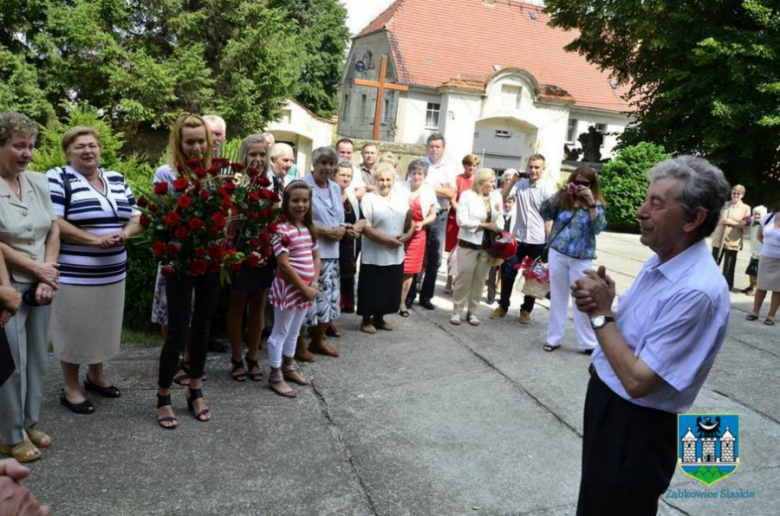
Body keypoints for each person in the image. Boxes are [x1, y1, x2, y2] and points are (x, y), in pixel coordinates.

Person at [570, 156, 731, 516]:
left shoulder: (697, 290)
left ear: (693, 219)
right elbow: (633, 325)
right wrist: (608, 300)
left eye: (656, 204)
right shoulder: (661, 260)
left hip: (636, 426)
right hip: (610, 408)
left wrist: (600, 315)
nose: (641, 211)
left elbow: (638, 380)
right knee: (595, 505)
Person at [46, 126, 141, 414]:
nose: (88, 151)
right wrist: (95, 240)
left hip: (113, 273)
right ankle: (70, 387)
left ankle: (96, 376)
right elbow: (55, 222)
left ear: (100, 149)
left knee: (103, 327)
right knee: (74, 330)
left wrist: (124, 234)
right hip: (76, 273)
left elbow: (136, 214)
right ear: (67, 152)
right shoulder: (58, 177)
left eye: (92, 145)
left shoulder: (115, 177)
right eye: (79, 147)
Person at [154, 113, 220, 429]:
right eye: (189, 141)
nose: (195, 147)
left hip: (211, 260)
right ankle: (163, 396)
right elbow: (159, 223)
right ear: (178, 143)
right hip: (181, 263)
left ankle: (195, 390)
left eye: (200, 141)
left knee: (204, 327)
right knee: (179, 329)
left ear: (209, 142)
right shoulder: (166, 174)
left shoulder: (215, 175)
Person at [0, 112, 60, 463]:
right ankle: (9, 435)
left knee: (37, 357)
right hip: (6, 285)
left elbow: (52, 228)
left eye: (31, 147)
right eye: (18, 146)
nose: (27, 154)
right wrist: (36, 268)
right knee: (11, 364)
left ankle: (27, 422)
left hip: (40, 283)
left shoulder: (37, 181)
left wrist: (47, 273)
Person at [225, 135, 276, 382]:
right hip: (239, 255)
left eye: (262, 154)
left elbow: (276, 221)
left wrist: (266, 249)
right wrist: (239, 252)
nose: (257, 159)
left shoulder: (273, 184)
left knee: (258, 304)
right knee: (237, 305)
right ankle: (236, 358)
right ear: (243, 156)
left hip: (264, 255)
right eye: (252, 154)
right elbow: (228, 225)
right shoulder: (234, 184)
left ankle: (253, 356)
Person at [540, 167, 607, 353]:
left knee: (582, 299)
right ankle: (553, 339)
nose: (580, 187)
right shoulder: (564, 199)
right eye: (577, 182)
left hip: (582, 258)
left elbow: (598, 227)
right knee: (558, 298)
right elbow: (544, 212)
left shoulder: (597, 203)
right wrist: (559, 192)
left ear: (592, 185)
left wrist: (591, 202)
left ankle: (588, 343)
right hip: (558, 253)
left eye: (585, 184)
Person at [267, 181, 319, 397]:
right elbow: (284, 265)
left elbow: (316, 256)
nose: (300, 205)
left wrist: (314, 284)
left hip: (306, 289)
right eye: (295, 200)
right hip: (289, 289)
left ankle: (289, 367)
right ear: (286, 203)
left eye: (304, 200)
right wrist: (304, 288)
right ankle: (275, 375)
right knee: (280, 332)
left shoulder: (308, 229)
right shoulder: (281, 230)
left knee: (295, 331)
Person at [492, 155, 555, 323]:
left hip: (538, 240)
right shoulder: (520, 185)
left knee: (533, 276)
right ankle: (503, 305)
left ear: (543, 169)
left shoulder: (548, 189)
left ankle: (526, 310)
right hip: (518, 238)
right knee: (507, 272)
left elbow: (549, 219)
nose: (533, 170)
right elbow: (501, 198)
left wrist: (549, 241)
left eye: (537, 167)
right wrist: (512, 181)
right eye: (531, 167)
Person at [298, 147, 344, 360]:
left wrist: (342, 228)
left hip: (332, 256)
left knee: (329, 298)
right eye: (322, 163)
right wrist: (324, 231)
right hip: (310, 257)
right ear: (314, 164)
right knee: (308, 299)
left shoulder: (335, 188)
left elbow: (339, 218)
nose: (327, 167)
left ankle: (317, 341)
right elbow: (296, 220)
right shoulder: (301, 186)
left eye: (330, 163)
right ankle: (298, 346)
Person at [358, 163, 412, 333]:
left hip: (396, 251)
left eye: (388, 179)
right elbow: (365, 226)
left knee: (389, 286)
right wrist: (386, 240)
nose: (385, 183)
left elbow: (411, 222)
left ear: (394, 180)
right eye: (381, 179)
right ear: (375, 180)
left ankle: (379, 318)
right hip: (375, 251)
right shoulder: (369, 198)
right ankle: (366, 320)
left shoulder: (401, 199)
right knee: (372, 286)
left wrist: (407, 235)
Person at [450, 168, 503, 326]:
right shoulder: (467, 195)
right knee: (463, 278)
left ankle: (472, 312)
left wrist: (497, 226)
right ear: (481, 183)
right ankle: (457, 311)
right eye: (491, 181)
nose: (494, 184)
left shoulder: (496, 196)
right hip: (468, 244)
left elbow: (500, 219)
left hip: (487, 246)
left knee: (480, 280)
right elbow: (462, 221)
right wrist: (484, 225)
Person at [411, 134, 457, 310]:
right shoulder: (419, 164)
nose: (434, 150)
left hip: (440, 215)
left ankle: (426, 297)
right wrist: (441, 189)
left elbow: (451, 194)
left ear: (443, 148)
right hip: (420, 215)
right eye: (431, 146)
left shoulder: (449, 167)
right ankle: (409, 295)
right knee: (417, 255)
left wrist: (427, 187)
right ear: (427, 148)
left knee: (434, 258)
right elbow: (413, 186)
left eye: (438, 146)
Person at [399, 160, 436, 317]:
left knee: (409, 270)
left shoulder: (429, 191)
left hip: (417, 235)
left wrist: (423, 222)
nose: (416, 176)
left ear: (424, 175)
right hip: (400, 232)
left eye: (420, 173)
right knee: (395, 267)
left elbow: (433, 214)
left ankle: (402, 302)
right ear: (409, 174)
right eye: (413, 173)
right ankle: (390, 299)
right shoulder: (400, 187)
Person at [443, 154, 479, 295]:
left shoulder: (478, 182)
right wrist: (462, 213)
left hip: (470, 222)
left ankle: (460, 281)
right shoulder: (457, 179)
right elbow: (452, 200)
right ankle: (449, 279)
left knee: (465, 252)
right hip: (455, 219)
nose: (471, 168)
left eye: (474, 165)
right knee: (453, 251)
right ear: (464, 165)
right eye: (469, 165)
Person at [333, 161, 365, 315]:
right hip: (331, 246)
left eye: (349, 176)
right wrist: (346, 230)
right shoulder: (328, 195)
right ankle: (324, 318)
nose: (346, 179)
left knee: (345, 279)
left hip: (348, 247)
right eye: (342, 175)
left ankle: (339, 311)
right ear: (334, 175)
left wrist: (354, 229)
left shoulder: (351, 197)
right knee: (327, 283)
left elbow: (363, 219)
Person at [711, 184, 750, 290]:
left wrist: (730, 222)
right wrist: (721, 221)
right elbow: (714, 219)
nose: (736, 195)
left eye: (738, 194)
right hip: (719, 238)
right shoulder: (724, 204)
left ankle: (727, 285)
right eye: (734, 193)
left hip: (733, 240)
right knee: (713, 262)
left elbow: (744, 225)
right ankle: (710, 283)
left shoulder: (746, 208)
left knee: (729, 265)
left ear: (742, 195)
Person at [746, 208, 780, 325]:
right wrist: (769, 247)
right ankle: (755, 312)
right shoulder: (768, 217)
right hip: (765, 257)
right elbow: (759, 236)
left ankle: (771, 316)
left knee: (778, 289)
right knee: (761, 286)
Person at [487, 189, 516, 304]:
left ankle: (503, 298)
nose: (507, 205)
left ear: (514, 203)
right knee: (493, 269)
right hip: (498, 245)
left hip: (509, 247)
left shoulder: (515, 215)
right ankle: (490, 295)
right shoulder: (499, 213)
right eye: (506, 202)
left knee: (506, 272)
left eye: (510, 202)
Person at [742, 205, 767, 295]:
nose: (756, 216)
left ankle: (755, 288)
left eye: (759, 214)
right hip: (754, 251)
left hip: (762, 252)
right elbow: (747, 221)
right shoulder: (753, 222)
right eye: (755, 214)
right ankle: (751, 285)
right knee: (751, 270)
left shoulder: (766, 225)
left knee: (757, 272)